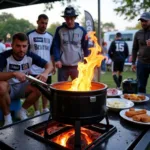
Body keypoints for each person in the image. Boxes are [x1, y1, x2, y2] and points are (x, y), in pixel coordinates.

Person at [0, 32, 53, 126]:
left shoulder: (30, 55)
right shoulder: (4, 56)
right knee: (1, 86)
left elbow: (49, 65)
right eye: (18, 46)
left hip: (22, 87)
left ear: (28, 46)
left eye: (24, 46)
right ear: (12, 45)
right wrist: (13, 73)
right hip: (8, 89)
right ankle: (7, 118)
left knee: (39, 87)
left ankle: (22, 111)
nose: (21, 49)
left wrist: (45, 73)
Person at [27, 14, 54, 116]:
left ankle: (44, 108)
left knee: (46, 89)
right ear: (37, 22)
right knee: (36, 90)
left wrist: (53, 65)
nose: (44, 25)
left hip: (47, 69)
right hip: (33, 69)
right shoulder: (29, 35)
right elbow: (26, 52)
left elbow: (51, 53)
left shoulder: (50, 37)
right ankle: (37, 110)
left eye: (46, 23)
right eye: (42, 23)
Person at [52, 6, 89, 81]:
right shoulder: (59, 30)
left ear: (75, 18)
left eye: (71, 18)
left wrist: (87, 60)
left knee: (78, 89)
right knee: (61, 89)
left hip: (77, 66)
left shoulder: (82, 31)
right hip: (62, 66)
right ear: (64, 18)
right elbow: (55, 46)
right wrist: (57, 59)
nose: (69, 21)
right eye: (67, 18)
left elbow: (85, 47)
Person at [132, 12, 150, 93]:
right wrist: (133, 62)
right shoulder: (138, 33)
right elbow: (134, 49)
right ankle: (142, 105)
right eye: (142, 21)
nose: (143, 23)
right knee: (140, 86)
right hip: (141, 63)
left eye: (145, 21)